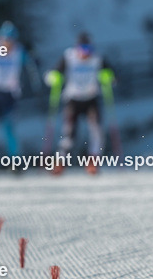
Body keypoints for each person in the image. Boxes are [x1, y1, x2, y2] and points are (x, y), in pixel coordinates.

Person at [48, 33, 115, 175]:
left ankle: (93, 163)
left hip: (91, 99)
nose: (85, 53)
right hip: (73, 99)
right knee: (69, 134)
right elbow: (54, 72)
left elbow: (112, 75)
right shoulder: (69, 57)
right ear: (77, 48)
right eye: (82, 49)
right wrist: (54, 77)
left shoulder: (97, 58)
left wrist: (108, 77)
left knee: (97, 131)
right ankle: (60, 162)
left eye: (88, 49)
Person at [0, 21, 38, 157]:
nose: (7, 44)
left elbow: (32, 65)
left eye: (10, 41)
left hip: (9, 94)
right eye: (5, 40)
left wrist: (35, 81)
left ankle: (14, 159)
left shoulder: (19, 51)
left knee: (9, 127)